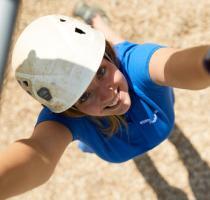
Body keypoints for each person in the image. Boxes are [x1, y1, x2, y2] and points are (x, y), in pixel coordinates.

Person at [0, 2, 210, 198]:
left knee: (119, 45)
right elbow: (39, 154)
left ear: (107, 56)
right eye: (84, 95)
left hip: (120, 58)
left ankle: (96, 19)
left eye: (101, 71)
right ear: (68, 108)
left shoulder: (136, 66)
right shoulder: (66, 119)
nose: (107, 94)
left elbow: (174, 64)